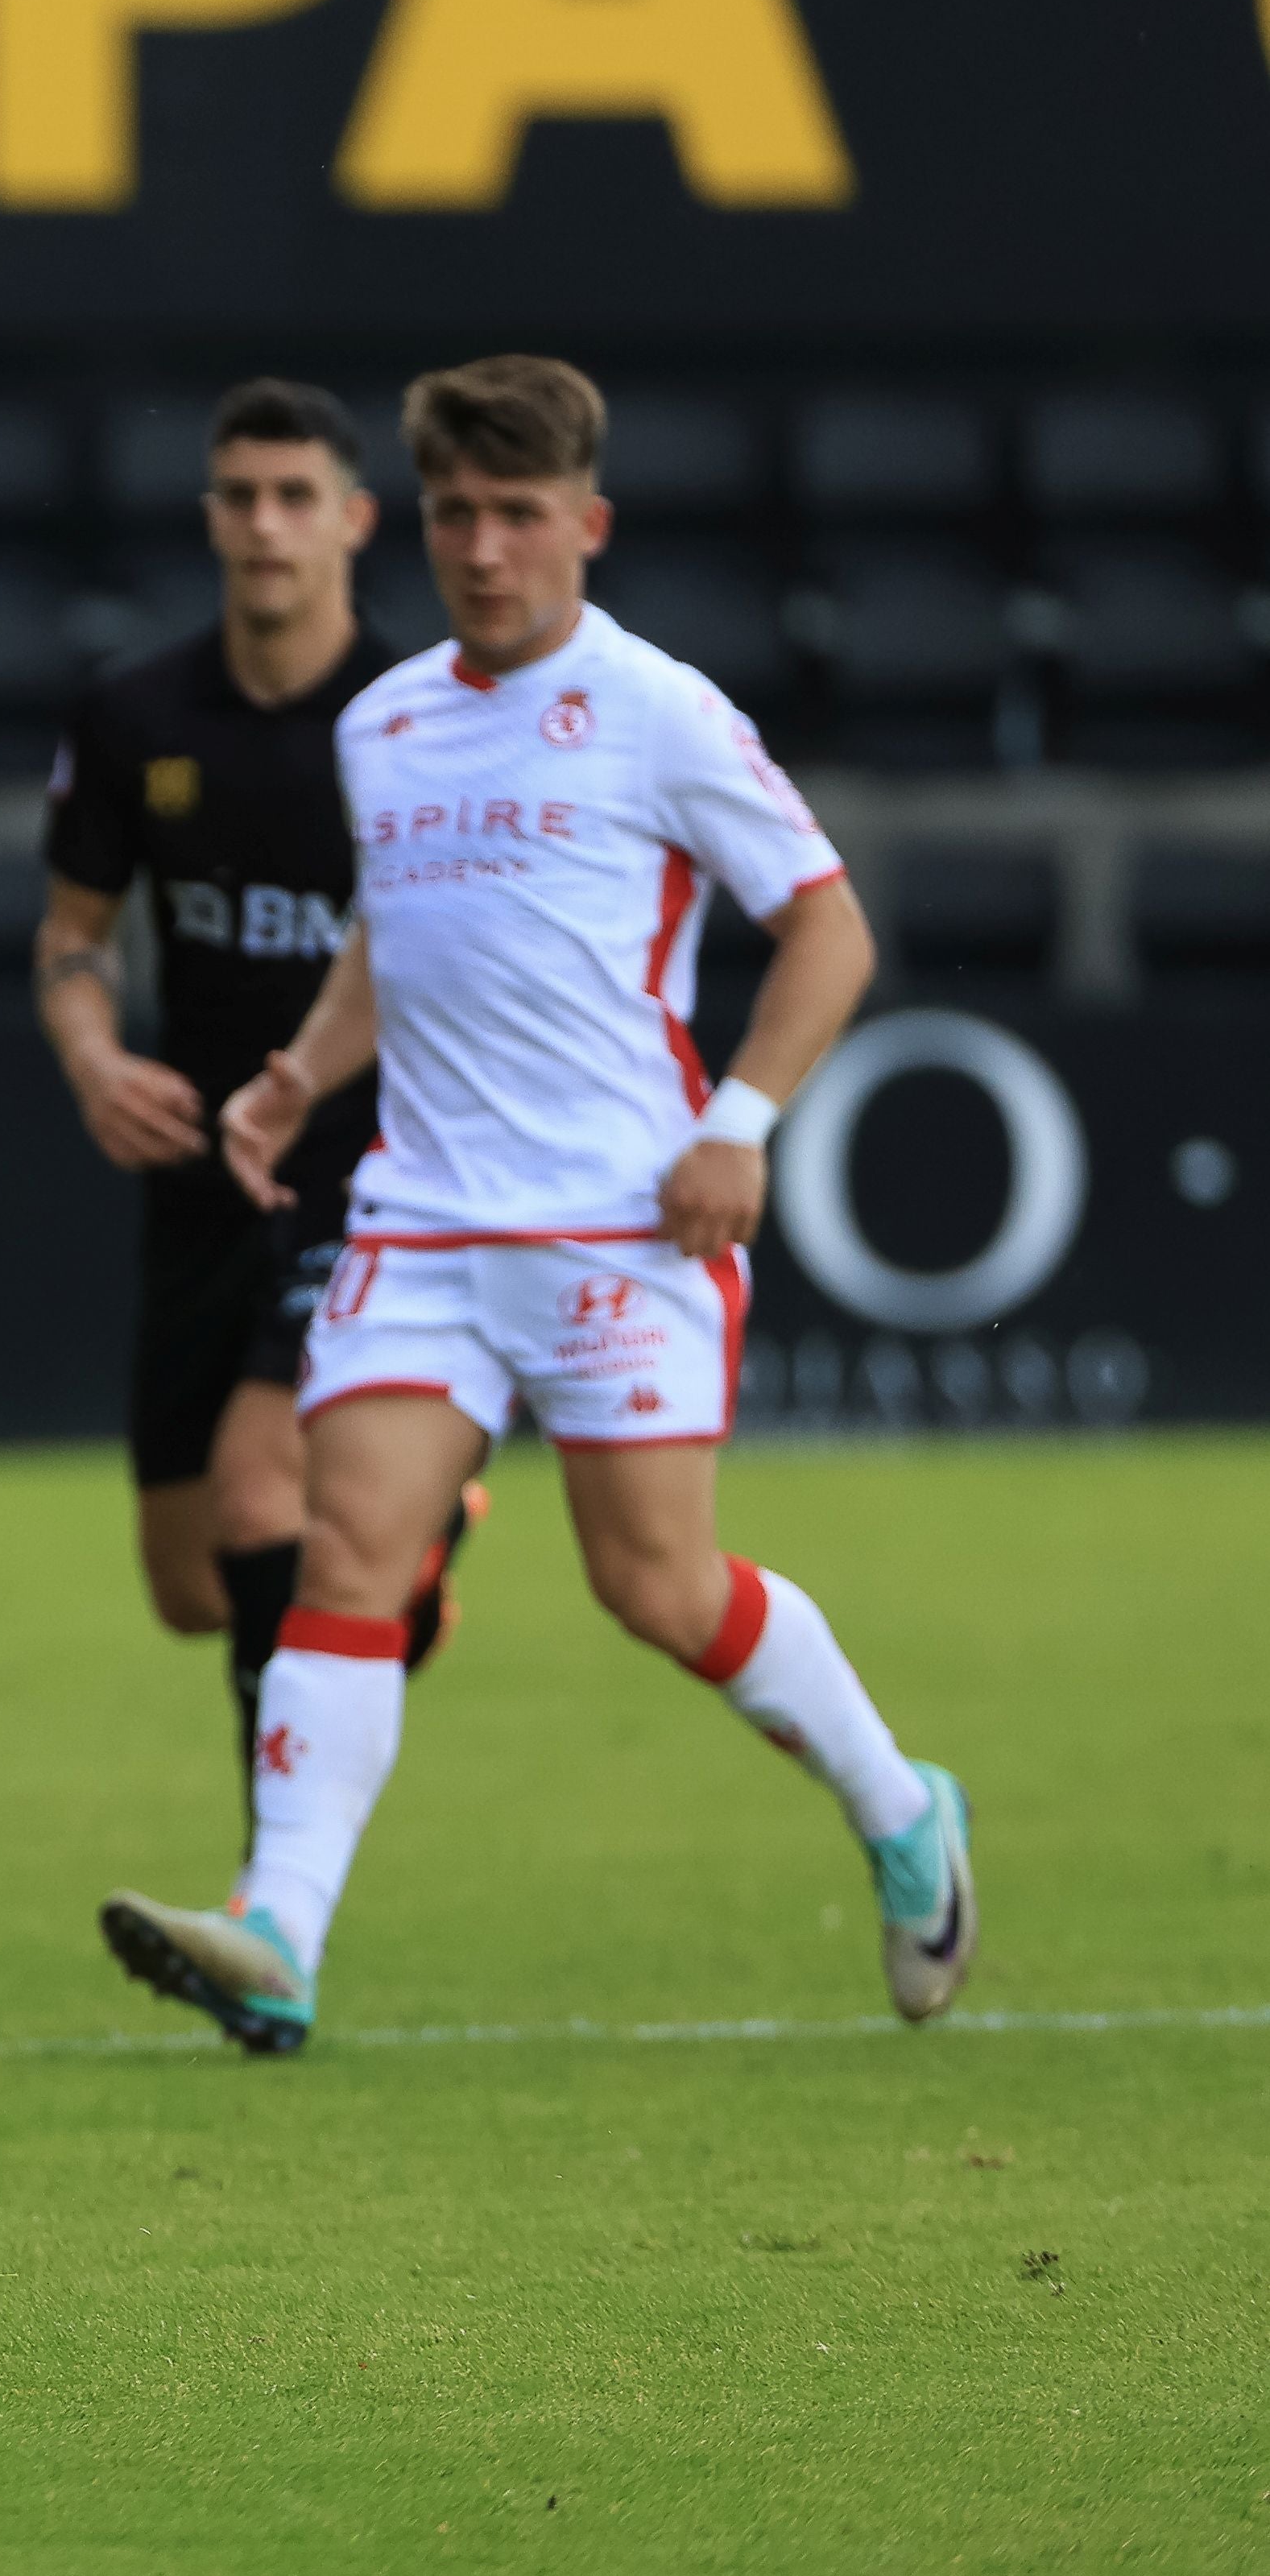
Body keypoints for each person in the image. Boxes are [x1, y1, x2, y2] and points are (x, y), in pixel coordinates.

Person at [100, 356, 974, 2052]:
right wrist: (295, 1073)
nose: (483, 549)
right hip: (422, 1218)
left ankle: (898, 1801)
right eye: (455, 515)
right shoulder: (387, 718)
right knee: (344, 1547)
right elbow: (400, 936)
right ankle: (281, 1924)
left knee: (659, 1586)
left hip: (619, 1226)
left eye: (516, 515)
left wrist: (739, 1119)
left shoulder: (663, 711)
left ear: (588, 523)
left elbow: (829, 929)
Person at [36, 380, 474, 1826]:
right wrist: (97, 1061)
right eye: (241, 494)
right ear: (211, 515)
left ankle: (272, 1895)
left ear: (354, 520)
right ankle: (411, 1545)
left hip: (372, 1180)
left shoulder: (420, 723)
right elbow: (71, 944)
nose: (265, 523)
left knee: (252, 1501)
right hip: (194, 1183)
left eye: (296, 495)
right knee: (189, 1584)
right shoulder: (131, 715)